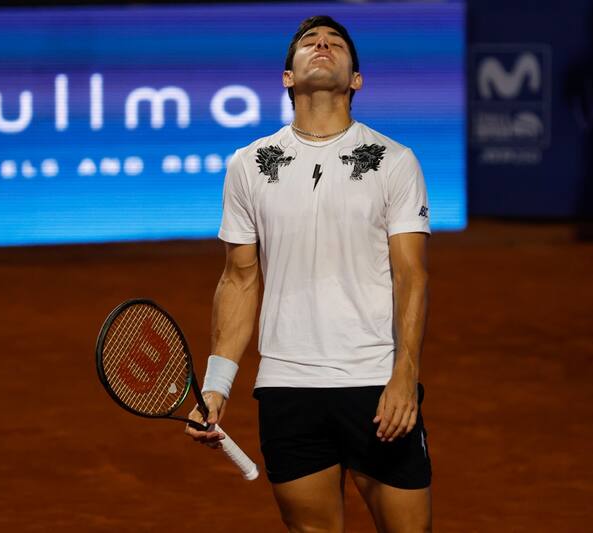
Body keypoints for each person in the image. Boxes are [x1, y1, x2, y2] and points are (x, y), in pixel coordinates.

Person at [185, 15, 433, 532]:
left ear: (356, 79)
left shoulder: (395, 161)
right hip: (287, 388)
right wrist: (216, 387)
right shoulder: (248, 165)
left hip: (374, 383)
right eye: (309, 42)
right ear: (287, 77)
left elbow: (412, 275)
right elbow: (239, 279)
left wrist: (405, 376)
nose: (322, 45)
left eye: (335, 43)